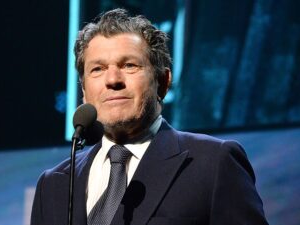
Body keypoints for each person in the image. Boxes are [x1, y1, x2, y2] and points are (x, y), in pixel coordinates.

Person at [31, 8, 268, 225]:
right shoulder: (53, 184)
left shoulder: (214, 163)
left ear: (163, 83)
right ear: (84, 91)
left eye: (129, 65)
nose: (113, 80)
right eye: (98, 69)